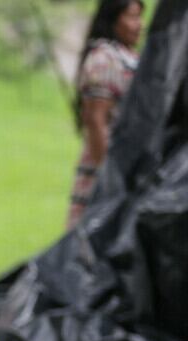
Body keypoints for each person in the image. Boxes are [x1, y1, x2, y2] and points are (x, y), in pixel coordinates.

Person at [67, 0, 144, 229]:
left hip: (129, 165)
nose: (139, 25)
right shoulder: (105, 58)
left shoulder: (130, 55)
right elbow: (95, 120)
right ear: (113, 19)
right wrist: (108, 176)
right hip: (109, 166)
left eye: (140, 17)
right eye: (131, 17)